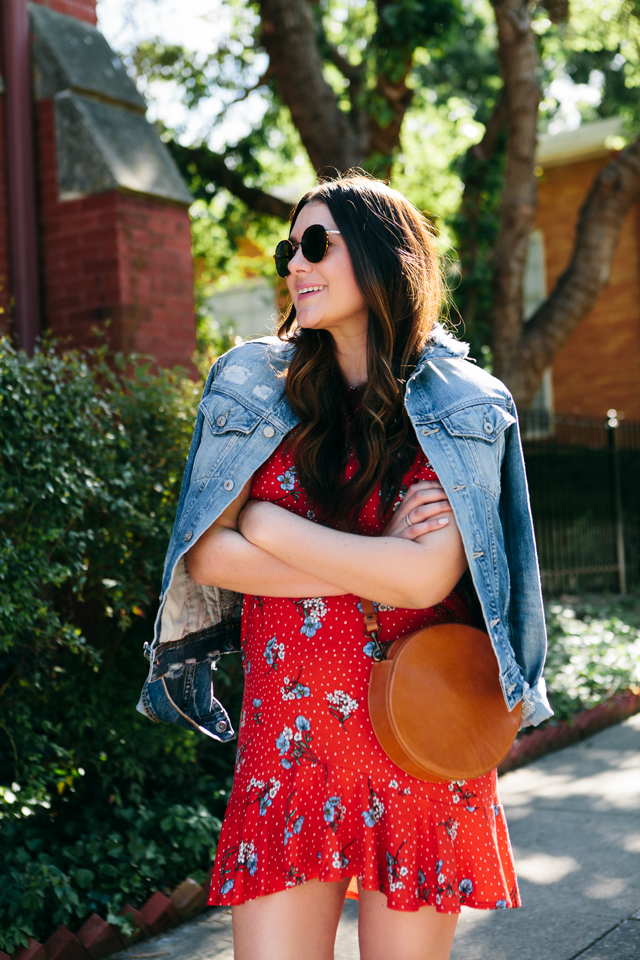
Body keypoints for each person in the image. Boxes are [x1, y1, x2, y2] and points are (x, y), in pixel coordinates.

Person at [138, 173, 551, 960]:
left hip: (417, 737)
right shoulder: (253, 383)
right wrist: (374, 558)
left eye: (317, 243)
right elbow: (210, 554)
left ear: (379, 256)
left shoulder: (460, 401)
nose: (297, 261)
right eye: (291, 246)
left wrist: (267, 525)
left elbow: (425, 581)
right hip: (288, 744)